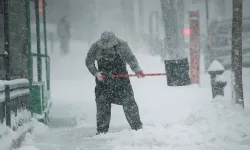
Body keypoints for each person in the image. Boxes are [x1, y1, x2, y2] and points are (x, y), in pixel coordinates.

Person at [85, 31, 145, 134]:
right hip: (103, 82)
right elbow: (89, 61)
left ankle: (137, 129)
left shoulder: (122, 45)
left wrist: (137, 70)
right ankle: (102, 132)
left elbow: (131, 58)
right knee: (102, 106)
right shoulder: (96, 46)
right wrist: (96, 73)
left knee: (129, 103)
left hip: (122, 81)